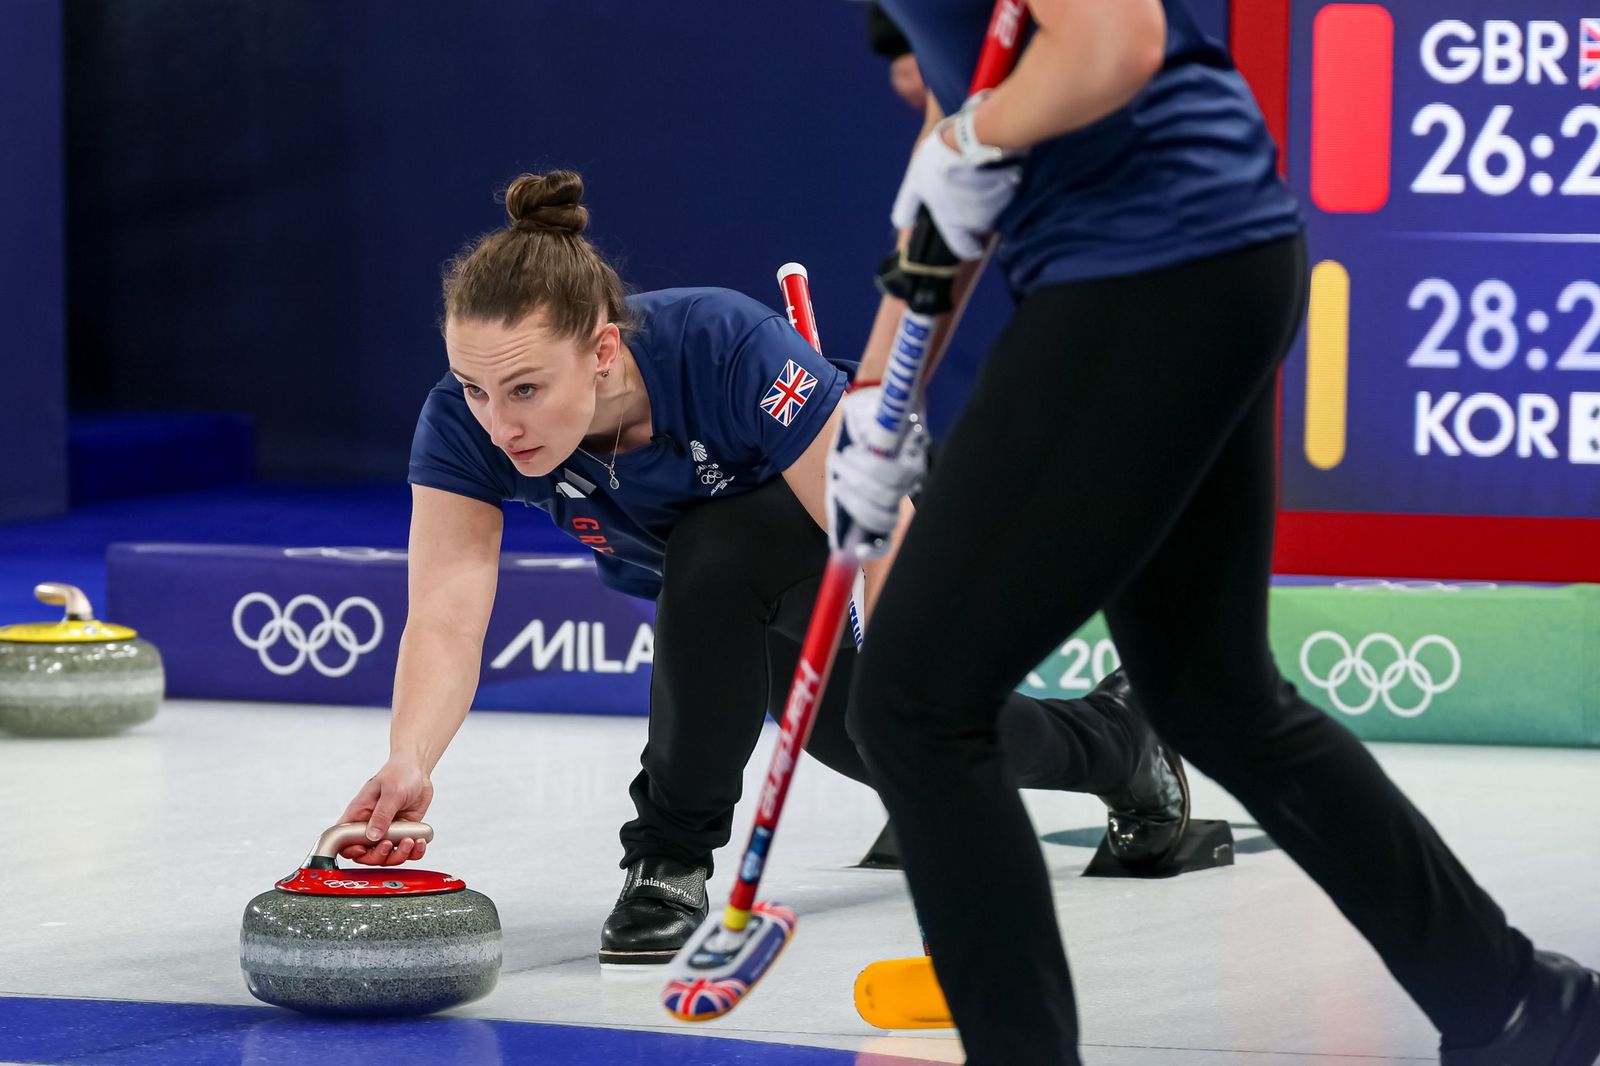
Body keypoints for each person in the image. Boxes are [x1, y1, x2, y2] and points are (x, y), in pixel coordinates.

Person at [831, 1, 1600, 1064]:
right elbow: (971, 105)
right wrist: (880, 392)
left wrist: (974, 134)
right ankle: (1514, 1004)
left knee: (917, 702)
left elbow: (1109, 48)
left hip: (1141, 268)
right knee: (1212, 691)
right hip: (1210, 255)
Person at [331, 169, 1188, 966]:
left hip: (848, 517)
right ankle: (1120, 744)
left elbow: (879, 525)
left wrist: (919, 684)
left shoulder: (723, 344)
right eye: (474, 389)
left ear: (600, 350)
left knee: (729, 570)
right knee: (863, 745)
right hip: (730, 597)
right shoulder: (464, 422)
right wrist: (412, 759)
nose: (497, 424)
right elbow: (445, 613)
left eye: (523, 390)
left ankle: (668, 859)